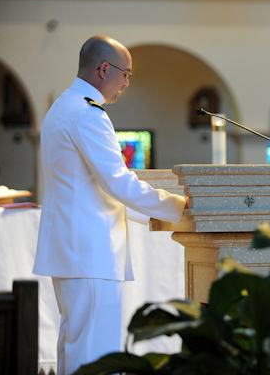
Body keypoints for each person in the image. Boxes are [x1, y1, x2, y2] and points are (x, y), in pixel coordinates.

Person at [32, 35, 189, 375]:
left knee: (77, 346)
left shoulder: (65, 106)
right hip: (89, 252)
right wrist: (181, 207)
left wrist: (152, 216)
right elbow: (118, 182)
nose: (127, 82)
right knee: (94, 354)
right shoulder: (88, 113)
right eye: (126, 74)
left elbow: (92, 188)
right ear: (104, 68)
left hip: (76, 250)